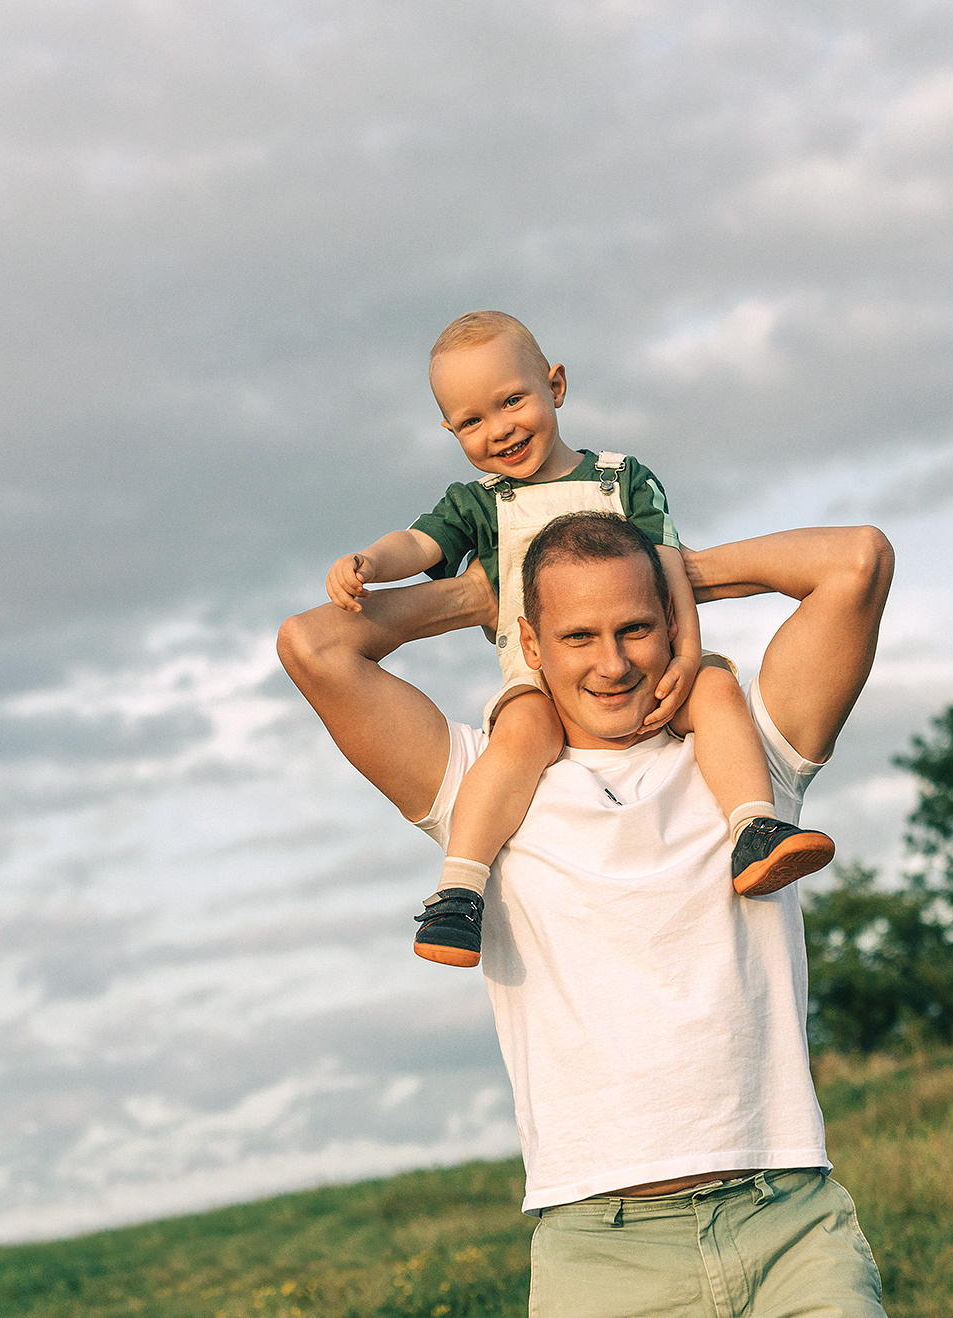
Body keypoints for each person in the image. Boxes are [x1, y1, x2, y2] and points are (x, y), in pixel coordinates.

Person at [279, 509, 896, 1317]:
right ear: (531, 647)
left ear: (668, 624)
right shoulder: (482, 787)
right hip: (600, 1252)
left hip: (787, 1224)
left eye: (635, 629)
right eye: (577, 637)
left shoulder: (749, 754)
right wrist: (486, 596)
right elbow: (314, 645)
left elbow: (856, 561)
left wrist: (670, 571)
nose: (612, 663)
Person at [325, 311, 832, 969]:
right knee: (515, 741)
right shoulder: (478, 506)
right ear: (450, 432)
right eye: (472, 421)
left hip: (644, 668)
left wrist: (684, 655)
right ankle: (460, 890)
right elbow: (418, 544)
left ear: (555, 385)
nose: (500, 428)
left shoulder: (621, 480)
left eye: (512, 400)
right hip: (541, 678)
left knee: (715, 687)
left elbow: (670, 566)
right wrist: (369, 561)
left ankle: (755, 828)